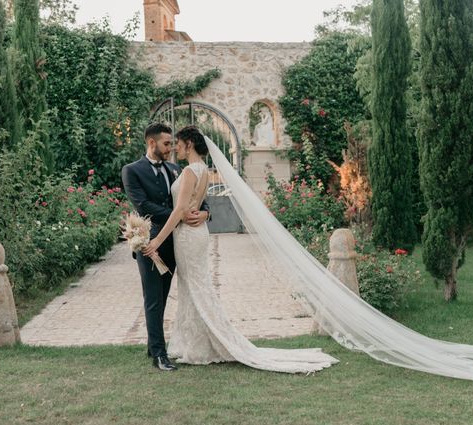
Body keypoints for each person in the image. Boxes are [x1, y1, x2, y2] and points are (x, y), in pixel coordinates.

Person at [144, 126, 338, 373]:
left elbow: (180, 211)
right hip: (195, 234)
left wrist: (157, 241)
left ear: (189, 143)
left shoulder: (191, 171)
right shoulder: (202, 169)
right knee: (194, 287)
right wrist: (201, 213)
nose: (175, 148)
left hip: (188, 237)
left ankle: (212, 342)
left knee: (196, 288)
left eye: (178, 143)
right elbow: (193, 206)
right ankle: (195, 343)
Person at [121, 123, 209, 371]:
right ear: (151, 143)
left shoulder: (176, 168)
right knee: (153, 298)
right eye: (167, 144)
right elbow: (144, 205)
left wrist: (205, 214)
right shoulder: (132, 171)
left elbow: (198, 198)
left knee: (163, 294)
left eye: (173, 144)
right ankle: (159, 354)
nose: (171, 148)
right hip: (149, 243)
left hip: (176, 243)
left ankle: (154, 344)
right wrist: (179, 214)